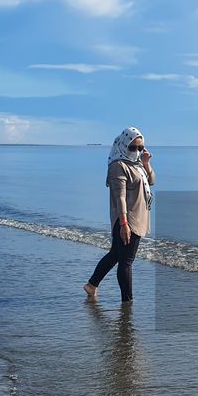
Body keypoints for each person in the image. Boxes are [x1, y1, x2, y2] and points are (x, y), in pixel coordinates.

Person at [83, 126, 155, 303]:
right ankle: (127, 301)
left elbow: (151, 181)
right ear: (123, 145)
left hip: (136, 217)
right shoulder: (118, 166)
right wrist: (124, 224)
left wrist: (146, 163)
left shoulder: (136, 164)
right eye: (133, 147)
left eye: (140, 147)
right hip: (127, 219)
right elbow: (119, 197)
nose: (137, 151)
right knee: (126, 261)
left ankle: (91, 285)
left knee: (116, 254)